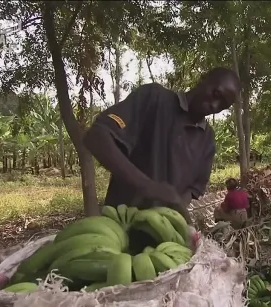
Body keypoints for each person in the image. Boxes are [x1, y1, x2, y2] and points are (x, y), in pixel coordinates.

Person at [84, 67, 241, 248]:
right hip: (118, 230)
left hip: (162, 241)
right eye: (215, 94)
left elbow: (191, 190)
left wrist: (175, 212)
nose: (214, 106)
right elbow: (96, 136)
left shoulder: (207, 141)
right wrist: (148, 186)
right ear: (203, 78)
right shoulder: (154, 99)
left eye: (222, 106)